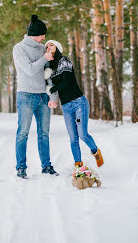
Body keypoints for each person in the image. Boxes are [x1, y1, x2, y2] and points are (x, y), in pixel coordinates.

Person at [44, 40, 104, 168]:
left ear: (57, 47)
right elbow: (48, 82)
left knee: (82, 135)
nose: (48, 47)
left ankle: (95, 151)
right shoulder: (49, 68)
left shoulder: (64, 60)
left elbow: (65, 82)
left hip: (78, 102)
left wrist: (52, 89)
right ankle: (78, 164)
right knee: (73, 138)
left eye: (51, 45)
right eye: (47, 46)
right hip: (66, 106)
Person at [13, 15, 59, 179]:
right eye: (42, 35)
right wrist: (44, 58)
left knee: (44, 133)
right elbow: (30, 69)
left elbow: (49, 75)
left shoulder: (42, 49)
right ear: (35, 34)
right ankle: (21, 167)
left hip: (43, 97)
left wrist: (53, 96)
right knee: (23, 133)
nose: (44, 38)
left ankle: (46, 166)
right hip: (25, 95)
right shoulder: (19, 49)